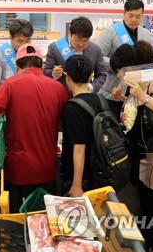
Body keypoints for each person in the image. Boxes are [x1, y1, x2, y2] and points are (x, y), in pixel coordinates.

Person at [0, 43, 69, 213]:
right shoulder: (58, 88)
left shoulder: (10, 84)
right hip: (48, 167)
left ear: (17, 65)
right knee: (44, 220)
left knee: (18, 219)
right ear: (41, 65)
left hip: (19, 168)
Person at [111, 41, 153, 250]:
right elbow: (136, 111)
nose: (122, 75)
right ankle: (144, 241)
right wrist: (125, 98)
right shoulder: (141, 82)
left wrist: (142, 96)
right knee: (145, 197)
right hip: (145, 149)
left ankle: (149, 243)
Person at [97, 0, 153, 116]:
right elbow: (99, 58)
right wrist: (117, 65)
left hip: (138, 92)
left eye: (138, 16)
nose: (134, 20)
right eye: (130, 15)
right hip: (113, 92)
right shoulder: (110, 32)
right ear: (124, 13)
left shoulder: (146, 34)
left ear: (143, 16)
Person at [61, 55, 102, 197]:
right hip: (98, 171)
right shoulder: (100, 100)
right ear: (91, 77)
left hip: (80, 176)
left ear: (68, 78)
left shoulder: (72, 107)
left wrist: (76, 185)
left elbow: (79, 148)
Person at [44, 16, 107, 95]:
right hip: (61, 95)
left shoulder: (95, 50)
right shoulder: (55, 48)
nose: (81, 44)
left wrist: (90, 87)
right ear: (70, 33)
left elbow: (102, 74)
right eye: (78, 40)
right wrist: (54, 74)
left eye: (85, 41)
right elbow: (46, 70)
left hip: (86, 96)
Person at [0, 19, 34, 93]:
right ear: (10, 38)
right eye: (20, 41)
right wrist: (5, 98)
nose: (25, 44)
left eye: (28, 40)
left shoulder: (33, 52)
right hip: (7, 98)